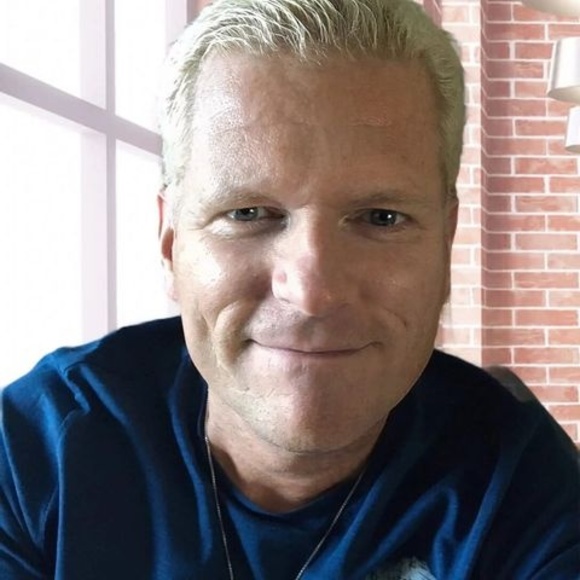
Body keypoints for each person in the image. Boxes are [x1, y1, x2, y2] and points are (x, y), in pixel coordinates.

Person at [1, 0, 578, 577]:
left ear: (445, 243)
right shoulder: (37, 456)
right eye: (248, 213)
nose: (312, 291)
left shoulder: (522, 491)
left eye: (381, 218)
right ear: (171, 241)